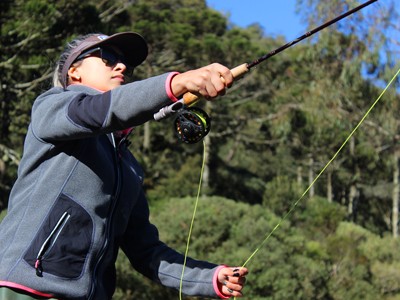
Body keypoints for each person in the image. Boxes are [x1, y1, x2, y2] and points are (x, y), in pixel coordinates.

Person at [0, 32, 248, 299]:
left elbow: (145, 250)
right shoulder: (51, 106)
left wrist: (208, 278)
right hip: (25, 289)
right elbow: (99, 111)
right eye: (107, 58)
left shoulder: (129, 168)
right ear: (74, 72)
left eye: (125, 65)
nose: (121, 67)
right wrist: (178, 82)